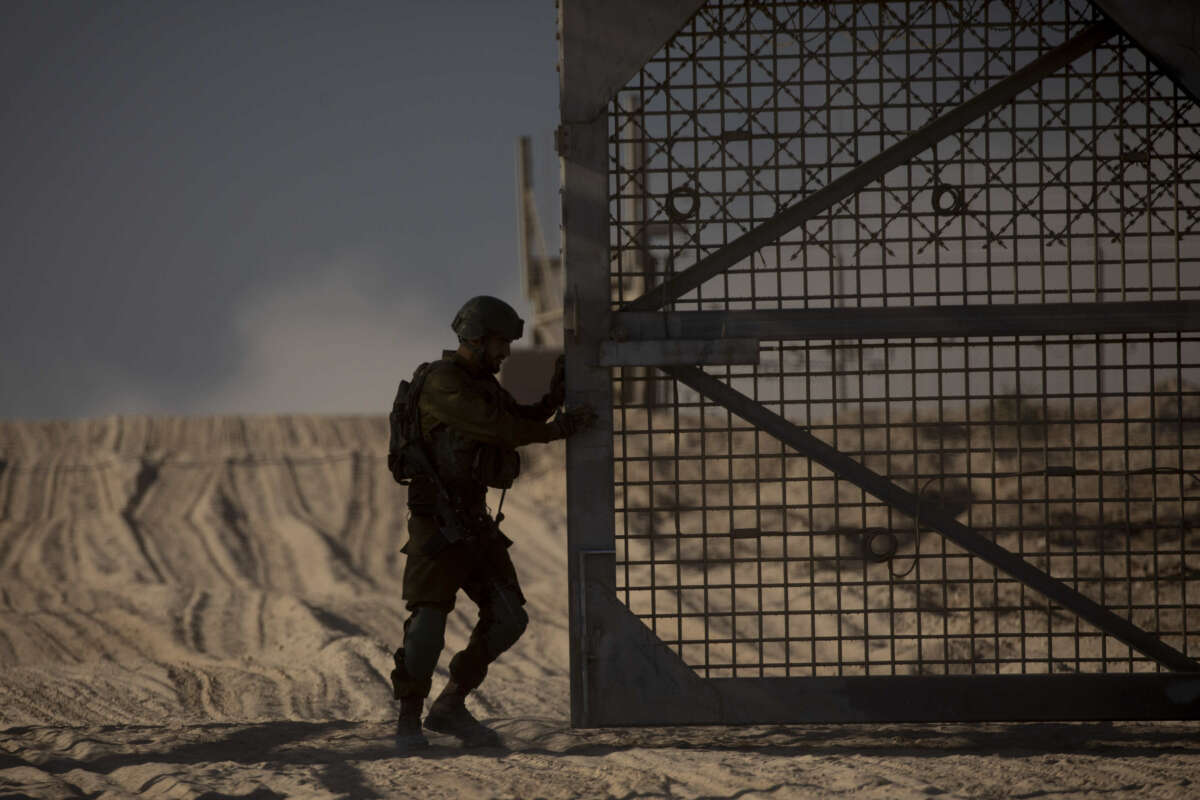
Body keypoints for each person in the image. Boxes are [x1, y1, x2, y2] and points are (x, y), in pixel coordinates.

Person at [390, 295, 595, 750]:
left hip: (473, 521)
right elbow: (498, 429)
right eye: (501, 344)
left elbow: (515, 418)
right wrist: (561, 428)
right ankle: (408, 721)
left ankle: (449, 706)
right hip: (439, 523)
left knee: (508, 617)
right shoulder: (443, 383)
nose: (505, 354)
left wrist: (554, 399)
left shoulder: (478, 382)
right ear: (478, 339)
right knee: (428, 622)